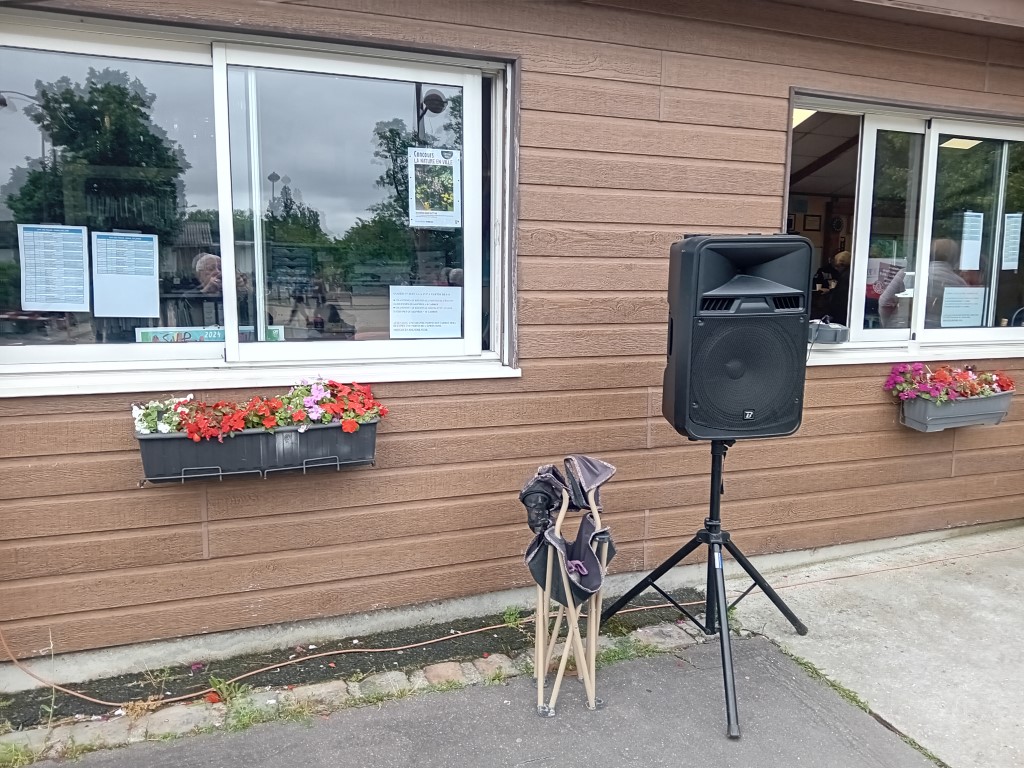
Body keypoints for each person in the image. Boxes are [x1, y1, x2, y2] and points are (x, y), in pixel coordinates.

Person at [879, 238, 967, 328]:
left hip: (901, 329)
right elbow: (963, 313)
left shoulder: (906, 273)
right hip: (936, 332)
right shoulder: (959, 282)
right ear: (955, 257)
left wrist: (887, 325)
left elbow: (884, 302)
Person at [825, 251, 851, 325]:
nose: (836, 269)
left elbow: (840, 296)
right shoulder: (850, 274)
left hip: (841, 312)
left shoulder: (845, 276)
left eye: (837, 266)